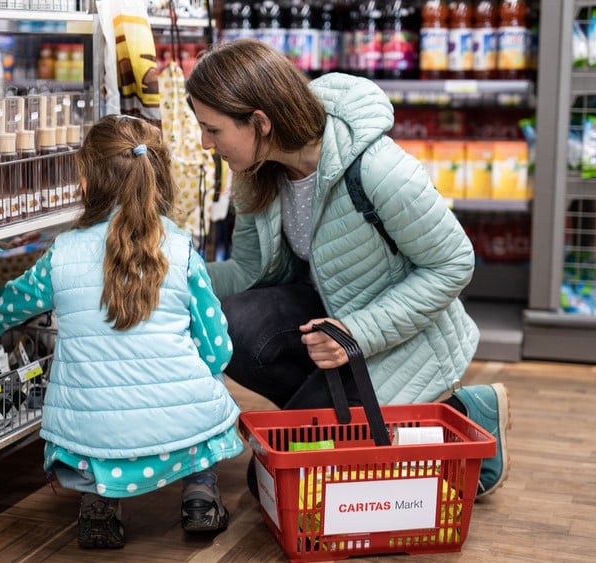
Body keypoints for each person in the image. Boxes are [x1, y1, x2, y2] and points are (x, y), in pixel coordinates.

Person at [185, 38, 510, 498]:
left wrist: (356, 332)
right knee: (233, 323)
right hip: (330, 322)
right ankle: (341, 415)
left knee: (285, 488)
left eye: (212, 129)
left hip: (397, 337)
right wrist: (170, 273)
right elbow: (251, 273)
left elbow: (452, 264)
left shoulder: (377, 169)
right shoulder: (258, 173)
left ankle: (458, 412)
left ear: (259, 122)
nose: (204, 143)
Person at [0, 114, 243, 549]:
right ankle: (199, 496)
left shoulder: (62, 254)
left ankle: (97, 508)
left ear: (86, 183)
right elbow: (218, 348)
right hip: (181, 434)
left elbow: (6, 308)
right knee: (208, 377)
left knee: (84, 397)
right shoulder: (181, 250)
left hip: (94, 440)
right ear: (158, 177)